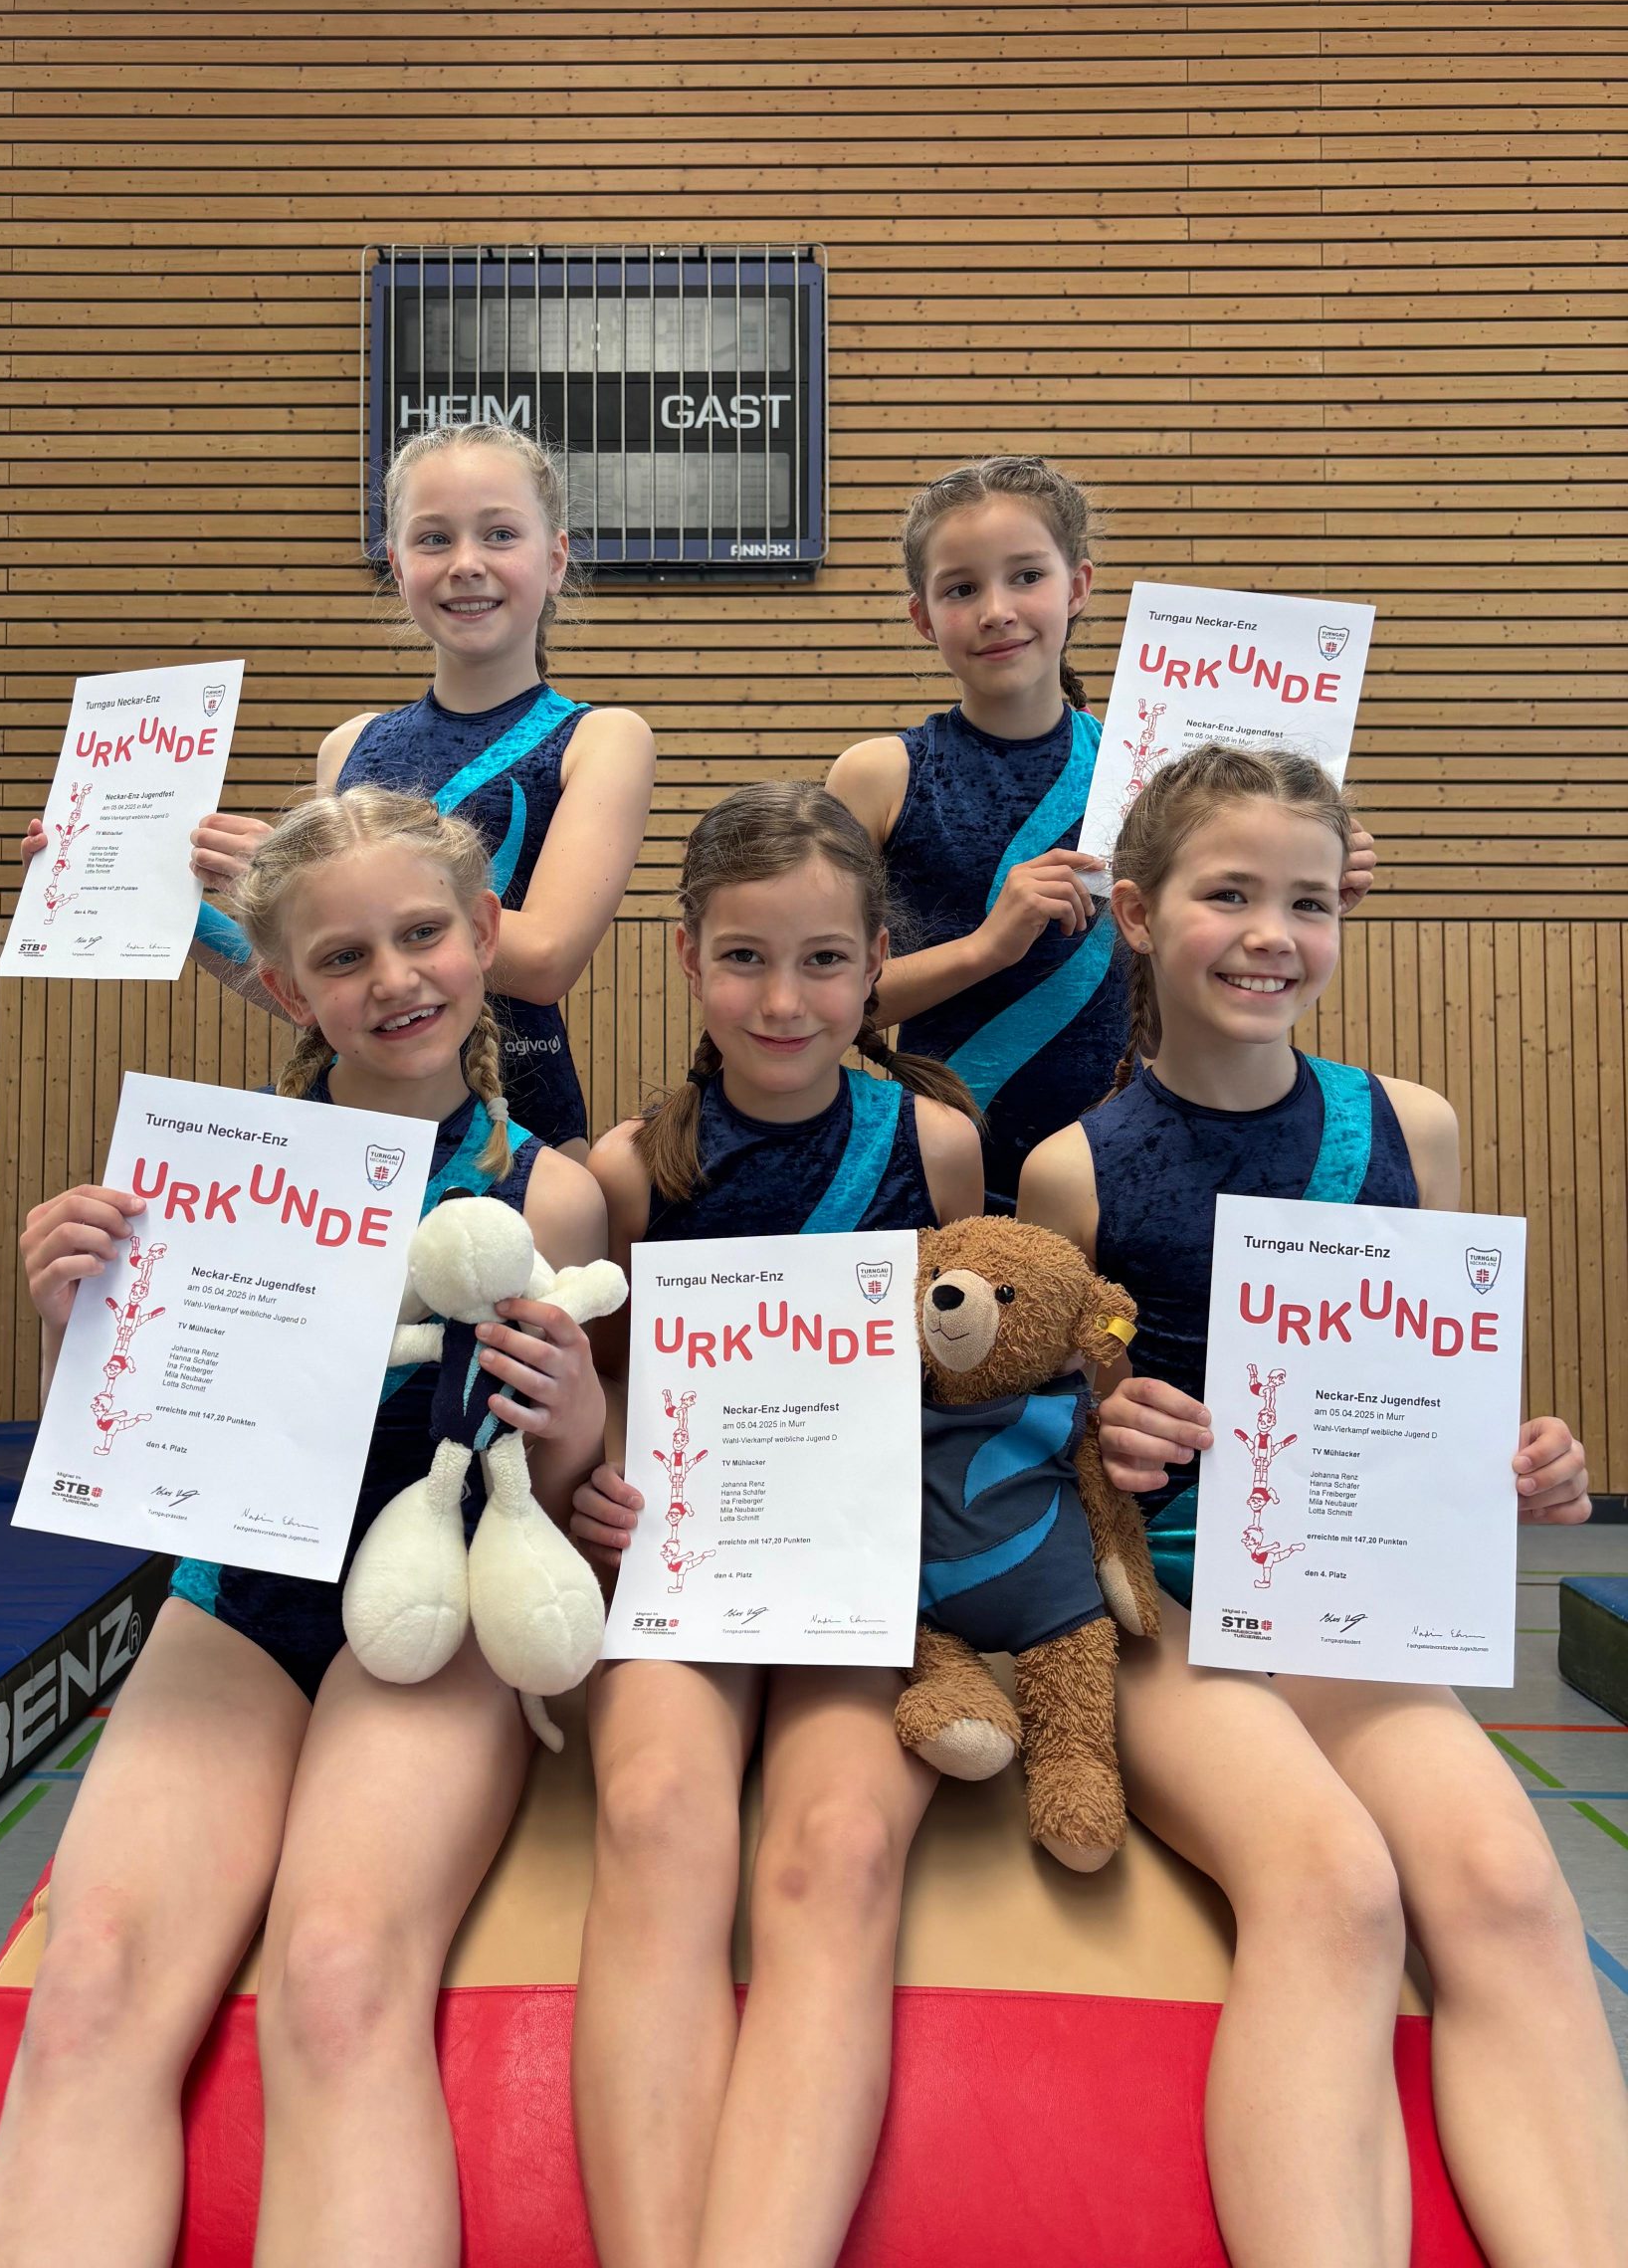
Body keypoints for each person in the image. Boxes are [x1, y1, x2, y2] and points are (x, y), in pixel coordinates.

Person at [0, 786, 611, 2268]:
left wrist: (575, 1409)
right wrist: (72, 1315)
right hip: (240, 1600)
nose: (394, 979)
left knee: (336, 1973)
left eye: (423, 934)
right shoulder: (199, 1179)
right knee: (92, 1981)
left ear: (485, 933)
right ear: (283, 984)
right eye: (342, 957)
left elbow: (576, 1502)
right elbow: (124, 1451)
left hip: (435, 1611)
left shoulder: (553, 1194)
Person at [1016, 743, 1628, 2268]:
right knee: (1337, 1887)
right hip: (1166, 1605)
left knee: (1507, 1886)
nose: (1271, 935)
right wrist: (1106, 1431)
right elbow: (1031, 1435)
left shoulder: (1410, 1126)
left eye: (1307, 901)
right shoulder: (1073, 1170)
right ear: (1140, 915)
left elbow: (1443, 1388)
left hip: (1346, 1606)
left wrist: (1522, 1462)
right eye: (1229, 895)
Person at [566, 782, 984, 2268]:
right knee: (654, 1820)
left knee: (837, 1851)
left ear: (878, 963)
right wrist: (593, 1486)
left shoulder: (935, 1143)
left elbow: (972, 1373)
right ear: (688, 958)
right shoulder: (630, 1170)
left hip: (861, 1572)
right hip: (687, 1567)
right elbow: (604, 1392)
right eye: (744, 958)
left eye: (823, 961)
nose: (784, 1000)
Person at [21, 422, 655, 1158]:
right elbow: (316, 988)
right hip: (353, 1130)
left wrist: (339, 885)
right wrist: (147, 889)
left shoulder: (599, 739)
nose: (466, 563)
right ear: (397, 566)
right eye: (434, 539)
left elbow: (544, 960)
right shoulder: (351, 746)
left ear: (555, 559)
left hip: (516, 1127)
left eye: (500, 534)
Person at [828, 456, 1376, 1211]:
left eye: (1027, 576)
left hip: (1130, 1164)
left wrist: (1310, 879)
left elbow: (1214, 955)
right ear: (924, 617)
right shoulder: (880, 776)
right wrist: (987, 947)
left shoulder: (1157, 775)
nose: (997, 610)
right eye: (961, 588)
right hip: (942, 1173)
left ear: (1077, 586)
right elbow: (830, 1001)